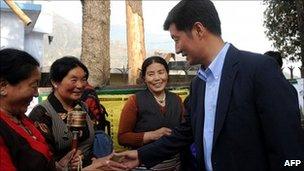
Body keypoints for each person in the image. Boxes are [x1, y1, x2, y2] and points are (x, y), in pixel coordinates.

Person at [117, 1, 304, 171]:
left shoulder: (260, 70)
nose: (177, 49)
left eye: (176, 39)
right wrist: (141, 155)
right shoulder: (199, 84)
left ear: (198, 30)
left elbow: (290, 152)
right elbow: (185, 133)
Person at [0, 48, 127, 171]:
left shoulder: (21, 119)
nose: (36, 94)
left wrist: (59, 167)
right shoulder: (41, 113)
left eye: (83, 79)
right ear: (3, 86)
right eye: (33, 85)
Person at [117, 56, 185, 170]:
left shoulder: (177, 100)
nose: (157, 78)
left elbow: (185, 131)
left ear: (167, 75)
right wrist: (152, 135)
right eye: (151, 74)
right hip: (143, 165)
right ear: (144, 78)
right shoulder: (135, 101)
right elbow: (122, 137)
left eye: (161, 72)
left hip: (175, 164)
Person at [29, 56, 93, 168]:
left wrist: (82, 156)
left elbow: (88, 143)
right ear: (55, 82)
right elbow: (42, 157)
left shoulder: (83, 107)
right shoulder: (41, 113)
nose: (80, 85)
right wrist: (66, 164)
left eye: (83, 79)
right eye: (74, 80)